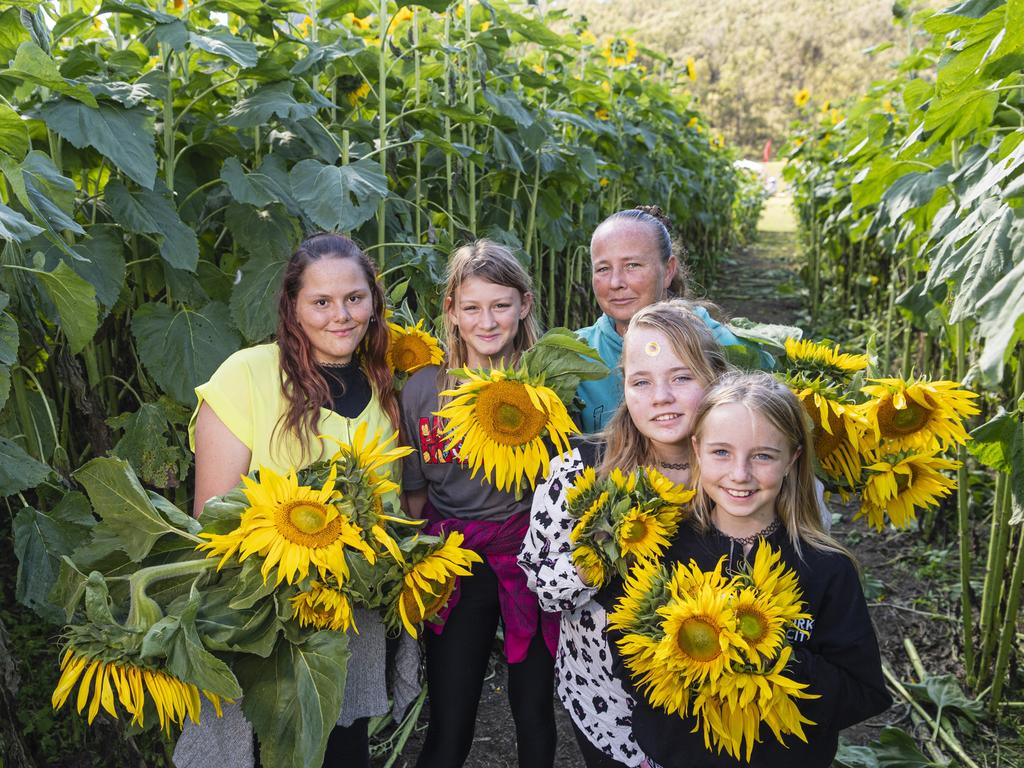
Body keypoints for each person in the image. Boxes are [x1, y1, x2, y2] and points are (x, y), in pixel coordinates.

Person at [175, 233, 414, 768]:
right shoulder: (249, 375)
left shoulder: (383, 388)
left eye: (355, 298)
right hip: (266, 625)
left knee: (344, 747)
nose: (342, 315)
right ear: (293, 307)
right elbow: (211, 515)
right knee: (270, 749)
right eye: (322, 302)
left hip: (353, 623)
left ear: (374, 302)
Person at [610, 371, 890, 768]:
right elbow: (624, 652)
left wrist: (768, 652)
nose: (740, 474)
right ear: (697, 449)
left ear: (792, 458)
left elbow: (864, 692)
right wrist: (688, 658)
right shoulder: (663, 547)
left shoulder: (826, 567)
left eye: (762, 455)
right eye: (721, 452)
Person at [519, 300, 730, 768]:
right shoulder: (581, 472)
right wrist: (607, 543)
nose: (661, 397)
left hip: (718, 704)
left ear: (715, 378)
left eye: (681, 377)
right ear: (624, 388)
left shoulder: (738, 477)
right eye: (641, 382)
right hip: (609, 703)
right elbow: (544, 586)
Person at [401, 239, 559, 768]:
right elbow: (417, 493)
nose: (486, 321)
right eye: (471, 307)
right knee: (451, 718)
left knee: (534, 710)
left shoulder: (546, 386)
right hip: (457, 559)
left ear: (524, 305)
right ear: (451, 311)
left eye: (500, 305)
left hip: (530, 558)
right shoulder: (423, 390)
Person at [576, 206, 773, 434]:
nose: (615, 282)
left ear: (668, 271)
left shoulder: (723, 346)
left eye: (632, 265)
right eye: (603, 269)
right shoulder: (574, 355)